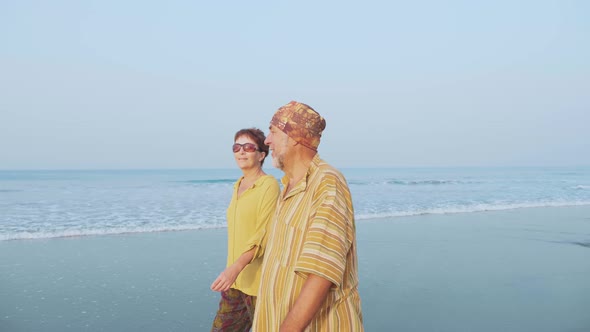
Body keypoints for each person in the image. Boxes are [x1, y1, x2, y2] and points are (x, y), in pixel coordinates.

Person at [252, 101, 364, 331]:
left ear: (294, 137)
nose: (267, 141)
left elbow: (321, 273)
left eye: (273, 131)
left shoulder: (327, 183)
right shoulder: (288, 187)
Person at [210, 127, 280, 331]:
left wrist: (235, 268)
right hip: (235, 283)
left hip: (259, 285)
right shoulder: (238, 185)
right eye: (236, 147)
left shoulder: (268, 185)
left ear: (261, 155)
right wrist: (232, 272)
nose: (241, 151)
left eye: (248, 147)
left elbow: (263, 235)